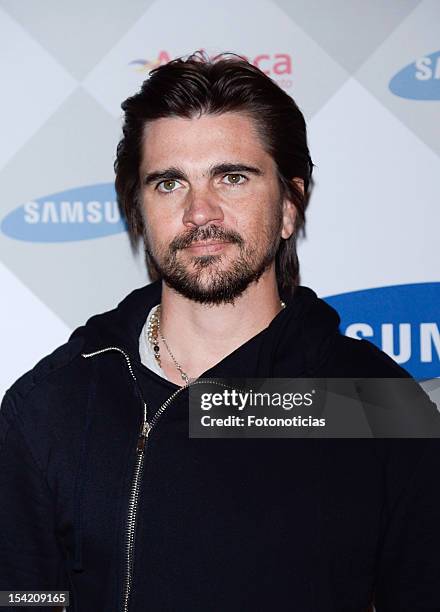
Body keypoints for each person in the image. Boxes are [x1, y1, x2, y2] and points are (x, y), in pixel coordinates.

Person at [1, 51, 439, 612]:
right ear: (138, 212)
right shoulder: (54, 405)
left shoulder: (375, 404)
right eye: (168, 184)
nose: (199, 211)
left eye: (231, 177)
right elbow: (24, 600)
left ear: (289, 204)